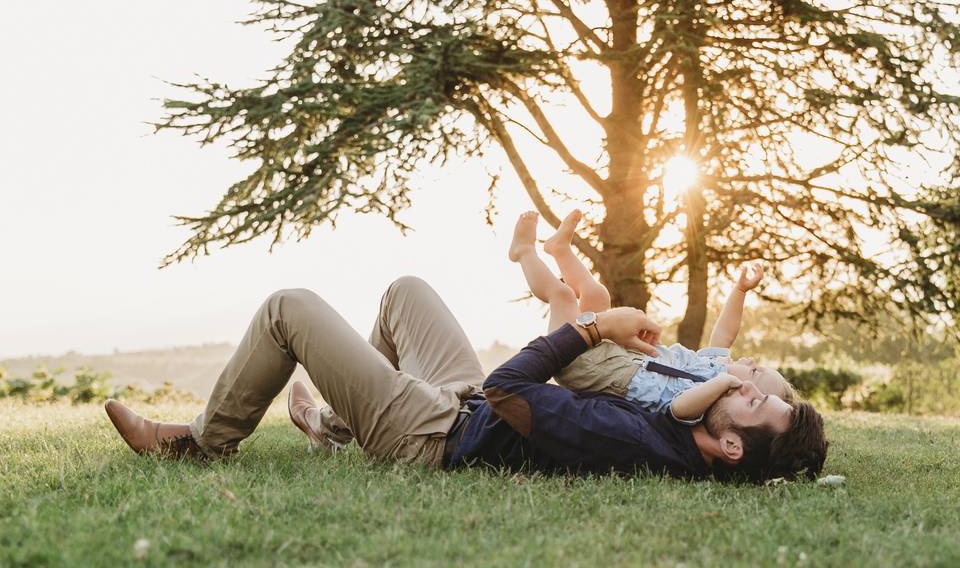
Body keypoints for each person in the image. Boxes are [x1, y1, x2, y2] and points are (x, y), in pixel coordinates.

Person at [104, 276, 826, 481]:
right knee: (403, 293)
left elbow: (512, 388)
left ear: (733, 448)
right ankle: (334, 426)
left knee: (287, 308)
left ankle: (203, 444)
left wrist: (593, 328)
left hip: (435, 433)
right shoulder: (681, 424)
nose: (746, 387)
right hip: (462, 403)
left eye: (757, 404)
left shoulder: (631, 441)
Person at [507, 209, 796, 425]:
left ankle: (523, 253)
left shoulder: (707, 402)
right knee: (598, 296)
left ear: (743, 391)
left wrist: (721, 385)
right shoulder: (716, 366)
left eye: (756, 372)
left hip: (588, 368)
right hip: (617, 351)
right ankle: (559, 250)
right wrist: (740, 290)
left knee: (564, 297)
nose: (752, 362)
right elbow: (724, 335)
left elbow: (678, 409)